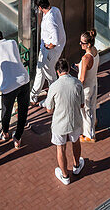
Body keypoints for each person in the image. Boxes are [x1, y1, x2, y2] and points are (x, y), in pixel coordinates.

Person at [0, 28, 30, 149]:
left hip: (9, 85)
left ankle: (5, 133)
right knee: (22, 110)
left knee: (6, 112)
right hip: (24, 79)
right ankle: (18, 138)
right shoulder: (13, 42)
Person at [44, 57, 85, 185]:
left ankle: (65, 176)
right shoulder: (77, 83)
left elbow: (49, 110)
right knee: (76, 142)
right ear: (68, 69)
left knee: (60, 148)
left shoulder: (54, 87)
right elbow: (82, 105)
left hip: (59, 124)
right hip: (75, 120)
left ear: (57, 71)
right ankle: (77, 166)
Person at [30, 0, 65, 103]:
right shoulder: (55, 10)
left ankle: (55, 98)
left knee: (51, 76)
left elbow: (54, 40)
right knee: (40, 71)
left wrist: (48, 46)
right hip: (51, 50)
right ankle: (33, 95)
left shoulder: (49, 21)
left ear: (40, 7)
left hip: (49, 51)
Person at [78, 29, 100, 141]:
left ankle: (90, 135)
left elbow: (82, 78)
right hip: (94, 83)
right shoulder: (95, 51)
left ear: (88, 44)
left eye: (82, 43)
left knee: (86, 111)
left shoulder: (86, 58)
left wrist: (76, 88)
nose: (80, 44)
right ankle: (92, 126)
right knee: (92, 108)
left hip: (86, 88)